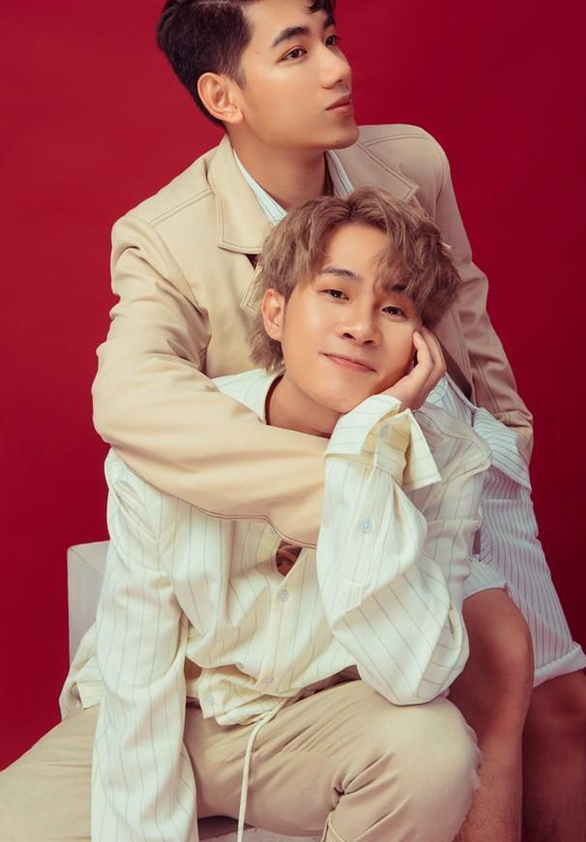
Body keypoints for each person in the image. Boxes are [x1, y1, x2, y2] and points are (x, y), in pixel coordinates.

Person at [1, 188, 495, 842]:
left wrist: (366, 451)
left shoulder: (450, 459)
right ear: (275, 311)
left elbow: (417, 675)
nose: (362, 327)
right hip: (170, 711)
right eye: (336, 293)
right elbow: (139, 668)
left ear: (420, 344)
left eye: (394, 307)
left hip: (312, 730)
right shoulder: (176, 432)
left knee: (433, 750)